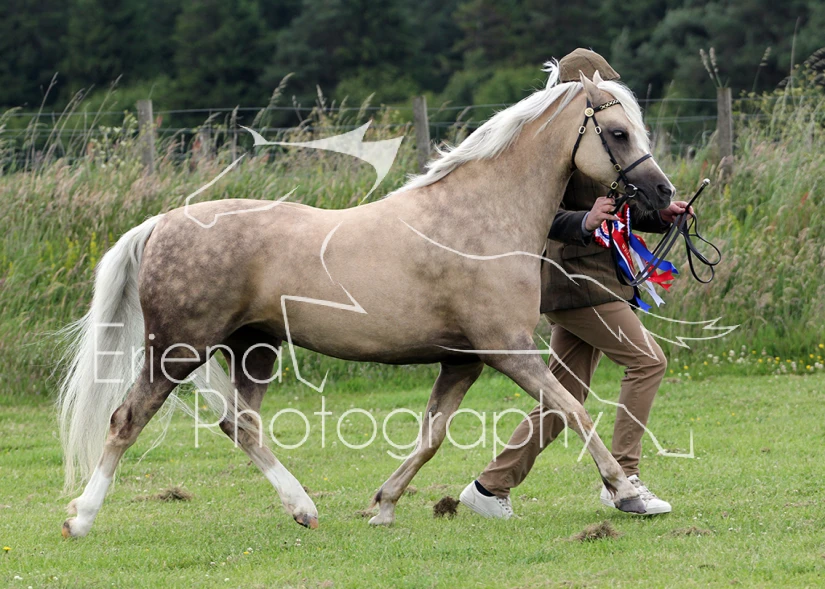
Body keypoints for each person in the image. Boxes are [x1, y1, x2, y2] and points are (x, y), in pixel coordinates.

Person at [459, 48, 692, 518]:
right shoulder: (553, 150)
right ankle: (625, 478)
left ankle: (489, 487)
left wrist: (661, 216)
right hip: (577, 283)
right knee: (648, 362)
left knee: (565, 395)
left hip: (597, 280)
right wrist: (583, 221)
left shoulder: (598, 142)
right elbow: (538, 217)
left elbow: (617, 214)